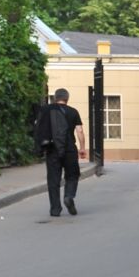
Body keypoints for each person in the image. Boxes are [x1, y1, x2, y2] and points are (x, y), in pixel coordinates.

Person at [33, 89, 86, 218]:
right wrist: (82, 148)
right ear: (67, 98)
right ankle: (68, 196)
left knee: (53, 179)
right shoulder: (73, 112)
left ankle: (55, 209)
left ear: (55, 98)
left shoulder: (46, 110)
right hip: (69, 150)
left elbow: (37, 126)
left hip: (52, 149)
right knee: (72, 175)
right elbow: (79, 131)